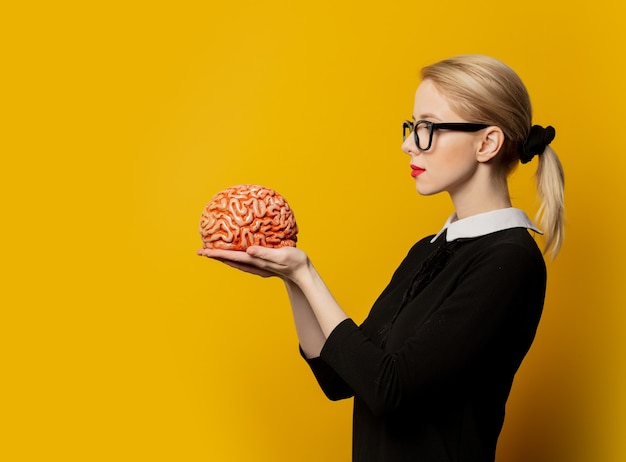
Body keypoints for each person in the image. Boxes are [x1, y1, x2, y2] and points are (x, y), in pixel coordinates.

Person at [197, 54, 565, 462]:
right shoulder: (429, 250)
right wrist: (291, 277)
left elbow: (389, 391)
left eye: (427, 128)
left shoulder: (511, 259)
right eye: (412, 127)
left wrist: (307, 274)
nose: (409, 143)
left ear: (487, 143)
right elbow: (340, 378)